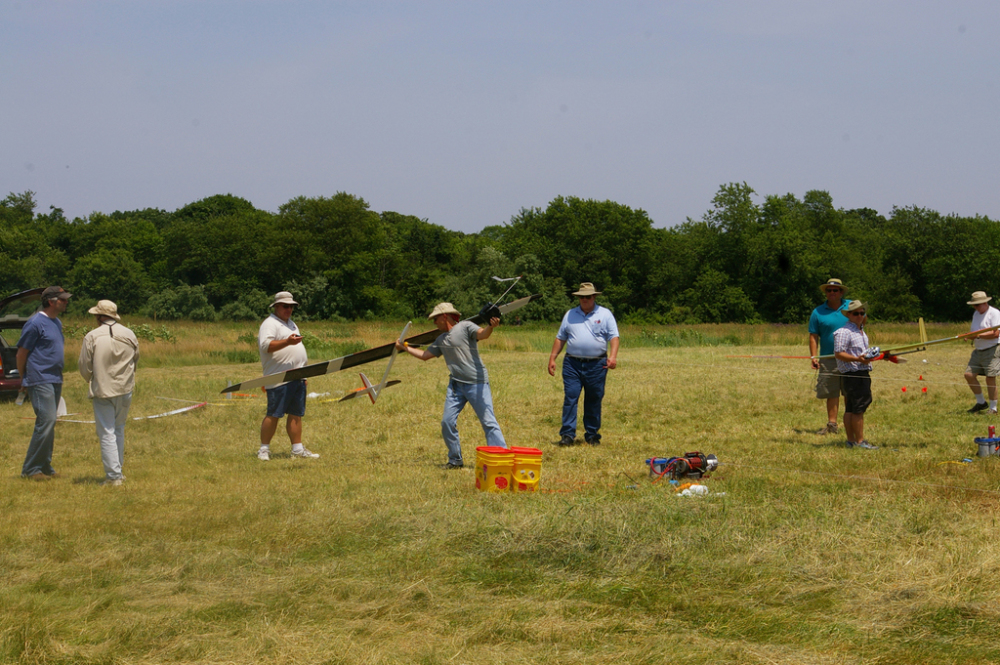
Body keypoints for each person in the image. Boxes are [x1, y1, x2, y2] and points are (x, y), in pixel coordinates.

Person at [396, 302, 506, 469]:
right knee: (447, 422)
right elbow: (425, 355)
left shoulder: (465, 326)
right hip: (456, 386)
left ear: (445, 316)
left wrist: (492, 326)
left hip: (477, 383)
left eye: (436, 319)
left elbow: (483, 334)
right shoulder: (441, 339)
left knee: (488, 422)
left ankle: (501, 460)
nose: (434, 322)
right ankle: (455, 460)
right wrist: (404, 347)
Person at [548, 282, 619, 446]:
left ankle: (592, 434)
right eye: (582, 297)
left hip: (597, 364)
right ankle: (567, 435)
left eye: (588, 297)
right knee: (571, 397)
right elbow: (561, 338)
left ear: (594, 297)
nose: (585, 300)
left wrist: (613, 356)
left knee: (594, 398)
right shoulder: (570, 314)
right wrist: (552, 358)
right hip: (572, 363)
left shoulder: (605, 314)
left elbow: (614, 337)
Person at [78, 300, 139, 486]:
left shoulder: (92, 336)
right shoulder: (129, 334)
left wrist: (92, 378)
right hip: (125, 388)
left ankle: (113, 477)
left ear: (98, 316)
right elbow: (135, 360)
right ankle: (118, 471)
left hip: (103, 389)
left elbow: (84, 366)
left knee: (107, 432)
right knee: (119, 429)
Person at [17, 286, 71, 480]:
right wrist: (23, 378)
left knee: (50, 422)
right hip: (39, 378)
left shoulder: (56, 322)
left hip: (55, 378)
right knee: (46, 421)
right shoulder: (34, 323)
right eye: (63, 299)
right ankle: (31, 470)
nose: (66, 302)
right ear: (51, 301)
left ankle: (45, 466)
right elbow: (21, 353)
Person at [257, 291, 318, 461]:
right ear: (276, 306)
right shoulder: (269, 324)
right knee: (274, 414)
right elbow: (265, 346)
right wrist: (287, 342)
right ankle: (264, 449)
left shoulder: (291, 324)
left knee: (296, 414)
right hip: (278, 377)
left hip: (298, 376)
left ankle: (297, 449)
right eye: (285, 306)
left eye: (291, 306)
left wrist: (304, 376)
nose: (289, 309)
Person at [808, 279, 852, 435]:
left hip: (850, 357)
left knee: (850, 391)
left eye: (835, 290)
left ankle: (851, 423)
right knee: (831, 392)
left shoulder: (852, 306)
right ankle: (832, 425)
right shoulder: (818, 312)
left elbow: (863, 321)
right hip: (828, 357)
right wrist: (814, 356)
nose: (832, 293)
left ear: (841, 292)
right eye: (829, 290)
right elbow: (813, 336)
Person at [833, 300, 876, 449]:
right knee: (857, 408)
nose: (859, 316)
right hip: (853, 374)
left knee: (851, 408)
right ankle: (859, 441)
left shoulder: (860, 331)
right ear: (849, 315)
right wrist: (858, 359)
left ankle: (851, 441)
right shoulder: (844, 332)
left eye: (862, 313)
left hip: (861, 372)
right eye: (856, 313)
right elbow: (839, 354)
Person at [963, 291, 1000, 415]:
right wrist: (969, 336)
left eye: (977, 305)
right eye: (974, 305)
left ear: (985, 303)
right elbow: (975, 333)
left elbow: (995, 334)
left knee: (990, 378)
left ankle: (993, 408)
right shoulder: (976, 314)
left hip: (992, 349)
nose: (975, 307)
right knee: (969, 375)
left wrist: (977, 335)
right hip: (978, 350)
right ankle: (981, 403)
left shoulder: (995, 313)